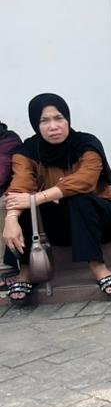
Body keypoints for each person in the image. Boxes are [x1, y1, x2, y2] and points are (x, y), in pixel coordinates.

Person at [3, 94, 111, 307]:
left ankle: (98, 267)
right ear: (36, 123)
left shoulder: (86, 143)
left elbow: (84, 181)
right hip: (61, 228)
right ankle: (25, 271)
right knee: (28, 207)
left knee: (77, 198)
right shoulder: (26, 151)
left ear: (68, 119)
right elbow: (21, 185)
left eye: (59, 118)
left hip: (106, 218)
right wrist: (11, 218)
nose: (54, 126)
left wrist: (35, 198)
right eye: (45, 121)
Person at [0, 120, 21, 290]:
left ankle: (5, 265)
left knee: (5, 203)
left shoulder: (8, 139)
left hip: (6, 190)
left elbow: (3, 172)